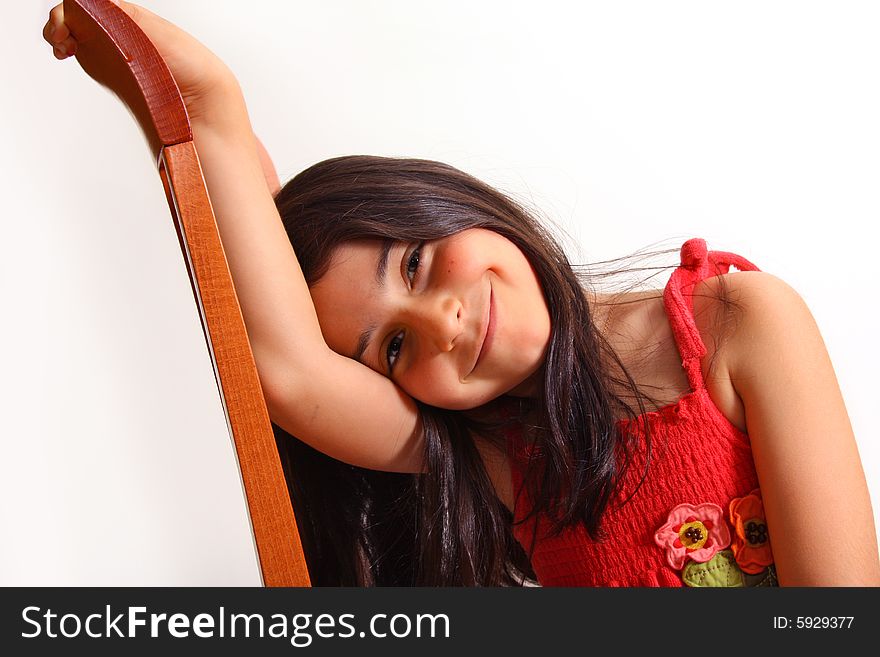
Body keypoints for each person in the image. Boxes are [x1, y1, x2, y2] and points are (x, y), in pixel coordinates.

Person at [45, 1, 880, 587]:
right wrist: (207, 111)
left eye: (413, 267)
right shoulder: (501, 456)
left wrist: (207, 93)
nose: (440, 323)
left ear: (452, 204)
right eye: (394, 349)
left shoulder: (741, 321)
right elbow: (289, 370)